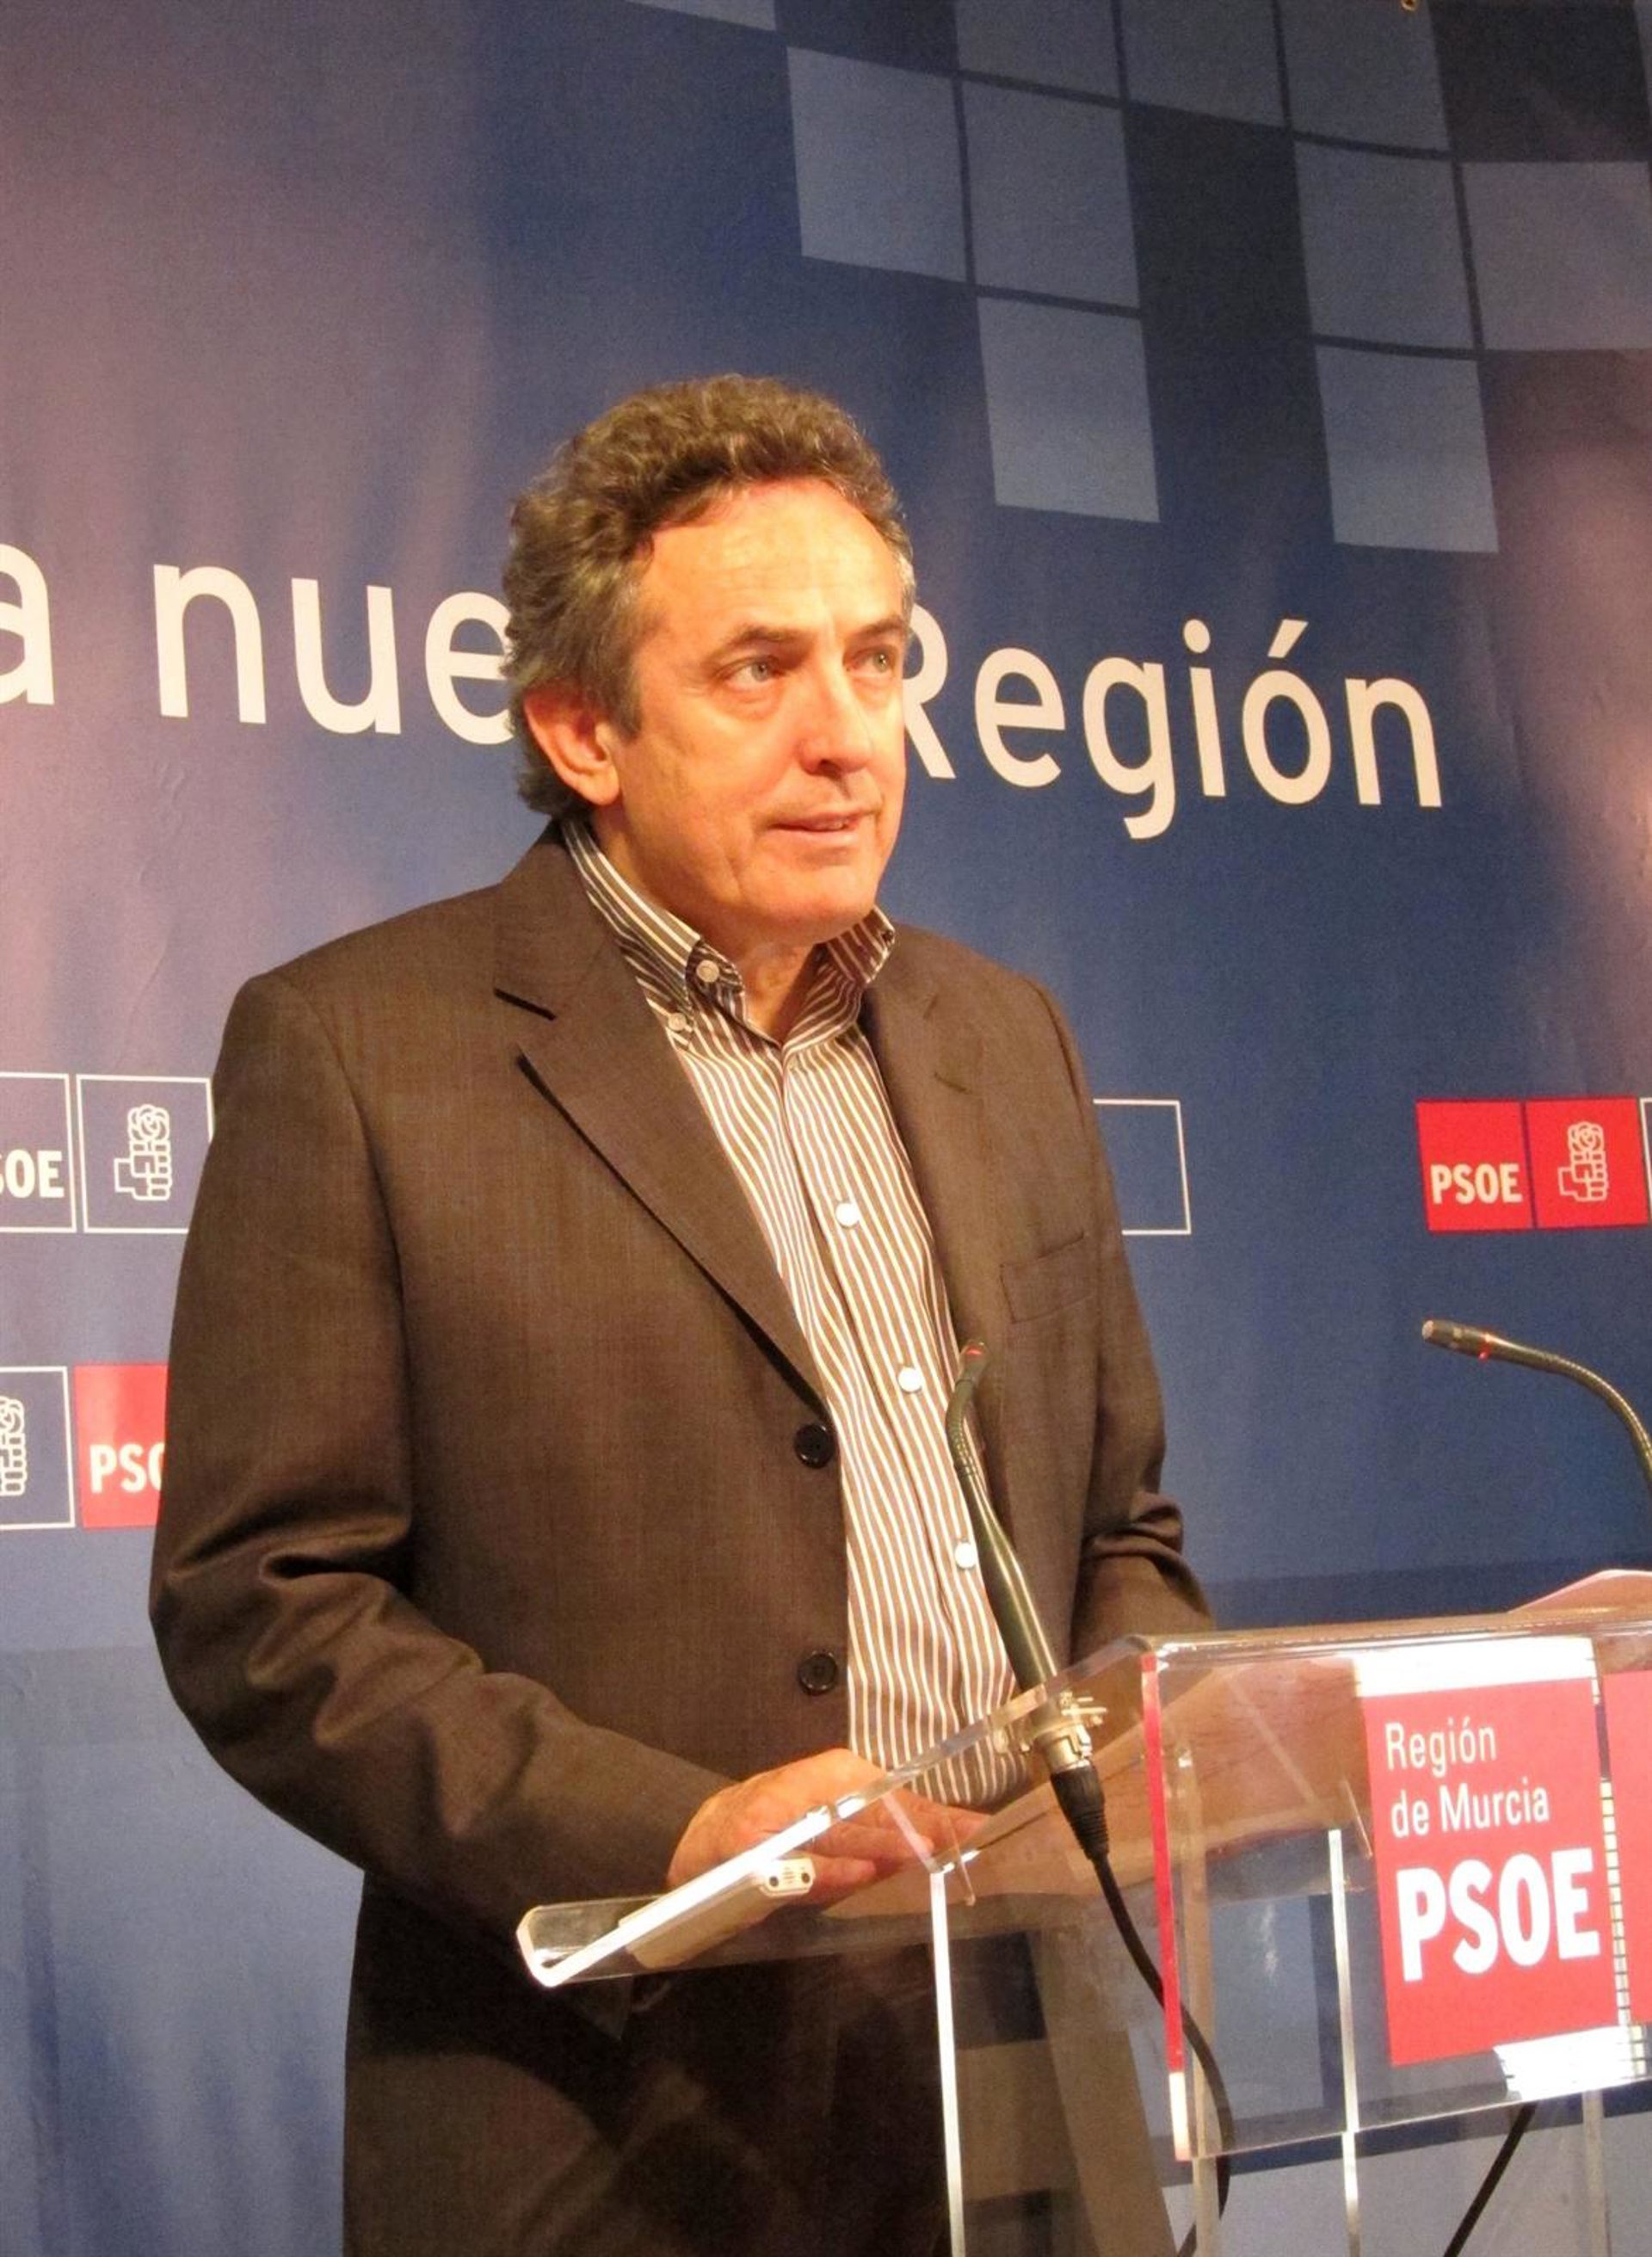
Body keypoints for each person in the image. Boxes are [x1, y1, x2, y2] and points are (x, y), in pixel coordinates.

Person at [151, 374, 1207, 2256]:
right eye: (759, 672)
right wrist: (679, 1834)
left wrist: (1146, 1739)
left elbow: (1120, 1528)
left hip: (1022, 2070)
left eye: (877, 662)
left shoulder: (1008, 1036)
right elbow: (270, 1607)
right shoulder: (361, 1052)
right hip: (615, 2118)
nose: (845, 736)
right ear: (584, 728)